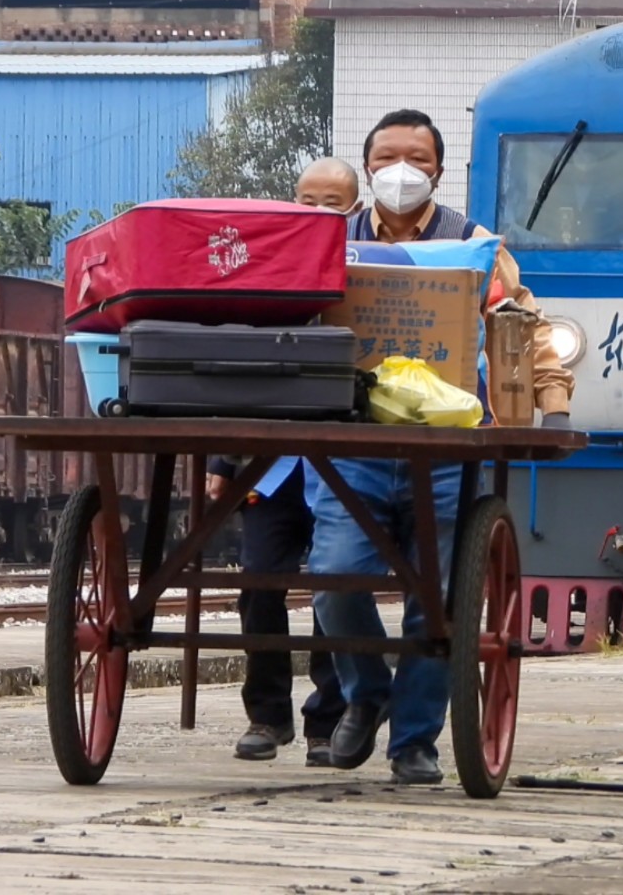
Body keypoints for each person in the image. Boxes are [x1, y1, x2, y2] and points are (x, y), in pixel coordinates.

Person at [313, 108, 574, 785]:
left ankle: (415, 742)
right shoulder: (323, 241)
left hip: (450, 448)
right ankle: (366, 692)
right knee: (335, 579)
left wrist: (553, 404)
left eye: (417, 159)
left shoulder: (475, 244)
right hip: (355, 443)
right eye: (387, 157)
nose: (401, 171)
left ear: (437, 168)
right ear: (367, 167)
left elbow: (524, 325)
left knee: (442, 600)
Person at [207, 157, 363, 765]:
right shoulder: (265, 265)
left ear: (355, 208)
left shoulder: (372, 269)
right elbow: (238, 365)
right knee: (259, 586)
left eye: (332, 202)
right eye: (307, 199)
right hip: (271, 465)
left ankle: (327, 721)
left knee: (336, 589)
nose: (318, 211)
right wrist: (223, 455)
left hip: (345, 460)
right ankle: (266, 717)